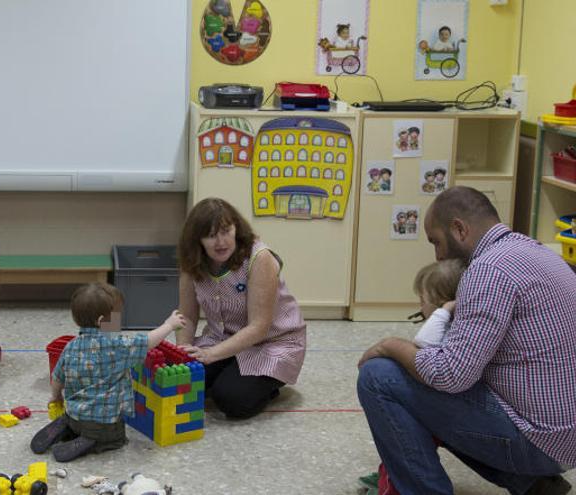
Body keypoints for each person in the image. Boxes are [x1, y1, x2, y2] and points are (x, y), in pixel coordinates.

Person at [357, 186, 576, 495]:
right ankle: (532, 484)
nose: (438, 255)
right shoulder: (535, 251)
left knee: (379, 376)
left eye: (436, 241)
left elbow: (449, 376)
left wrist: (389, 346)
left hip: (540, 441)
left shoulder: (488, 270)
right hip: (564, 438)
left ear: (459, 229)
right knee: (429, 392)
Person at [175, 198, 306, 419]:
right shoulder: (192, 262)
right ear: (197, 240)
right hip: (222, 339)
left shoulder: (259, 257)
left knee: (232, 400)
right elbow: (186, 315)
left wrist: (210, 354)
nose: (221, 242)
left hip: (271, 343)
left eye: (226, 231)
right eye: (211, 235)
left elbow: (259, 327)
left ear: (236, 228)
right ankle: (227, 372)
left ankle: (268, 386)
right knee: (182, 379)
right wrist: (183, 355)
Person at [30, 282, 186, 462]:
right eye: (117, 317)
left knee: (74, 418)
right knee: (117, 437)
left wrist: (56, 397)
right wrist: (169, 324)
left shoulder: (70, 346)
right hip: (101, 423)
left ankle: (68, 426)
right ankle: (92, 441)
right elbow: (148, 341)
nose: (120, 322)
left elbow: (57, 378)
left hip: (74, 414)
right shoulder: (116, 346)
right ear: (102, 321)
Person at [361, 259, 465, 495]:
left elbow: (423, 343)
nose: (419, 303)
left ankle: (389, 486)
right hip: (447, 401)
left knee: (401, 442)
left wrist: (443, 311)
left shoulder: (446, 323)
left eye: (423, 299)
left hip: (441, 403)